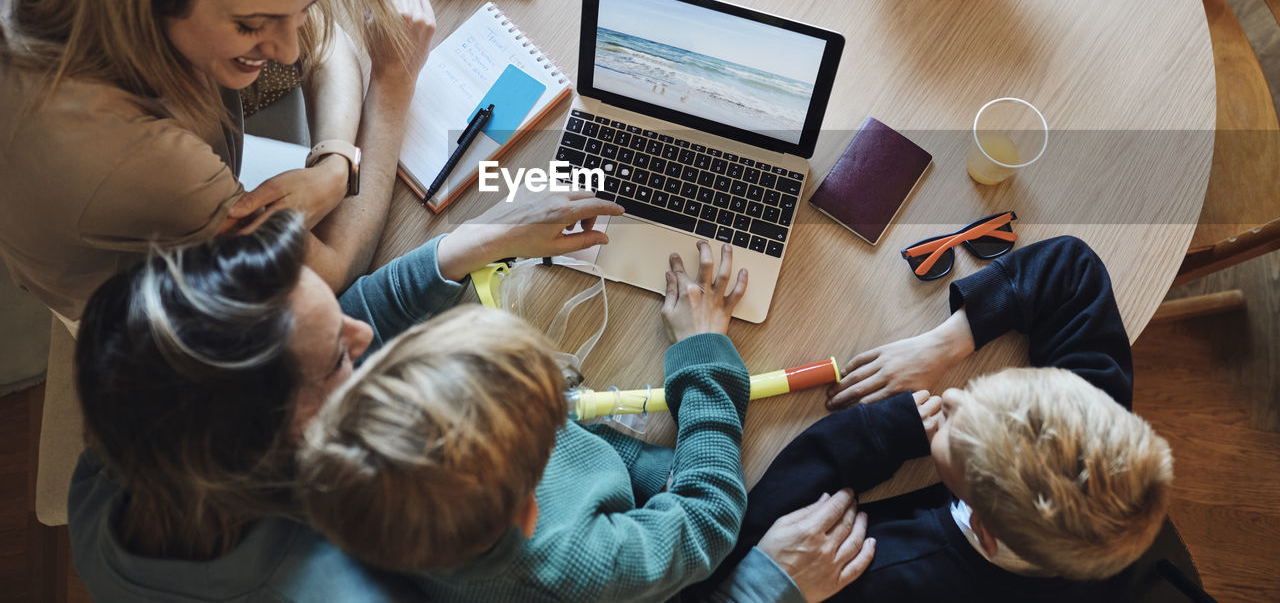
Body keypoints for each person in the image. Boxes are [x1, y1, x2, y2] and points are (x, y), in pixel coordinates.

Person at [0, 0, 432, 325]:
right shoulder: (138, 158)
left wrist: (335, 162)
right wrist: (392, 87)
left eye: (295, 11)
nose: (287, 50)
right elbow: (333, 270)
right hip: (136, 305)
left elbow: (323, 41)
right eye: (251, 25)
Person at [68, 193, 623, 601]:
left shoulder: (128, 441)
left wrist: (474, 242)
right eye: (340, 358)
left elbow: (317, 328)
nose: (362, 336)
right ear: (288, 435)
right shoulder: (364, 573)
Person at [297, 242, 880, 602]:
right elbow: (707, 522)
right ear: (529, 509)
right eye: (551, 420)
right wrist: (703, 355)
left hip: (635, 488)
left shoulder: (363, 457)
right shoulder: (564, 567)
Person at [691, 235, 1175, 602]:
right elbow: (1071, 268)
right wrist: (943, 344)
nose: (952, 399)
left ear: (984, 528)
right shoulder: (1089, 432)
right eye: (982, 390)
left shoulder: (888, 573)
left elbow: (734, 548)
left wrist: (880, 433)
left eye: (955, 439)